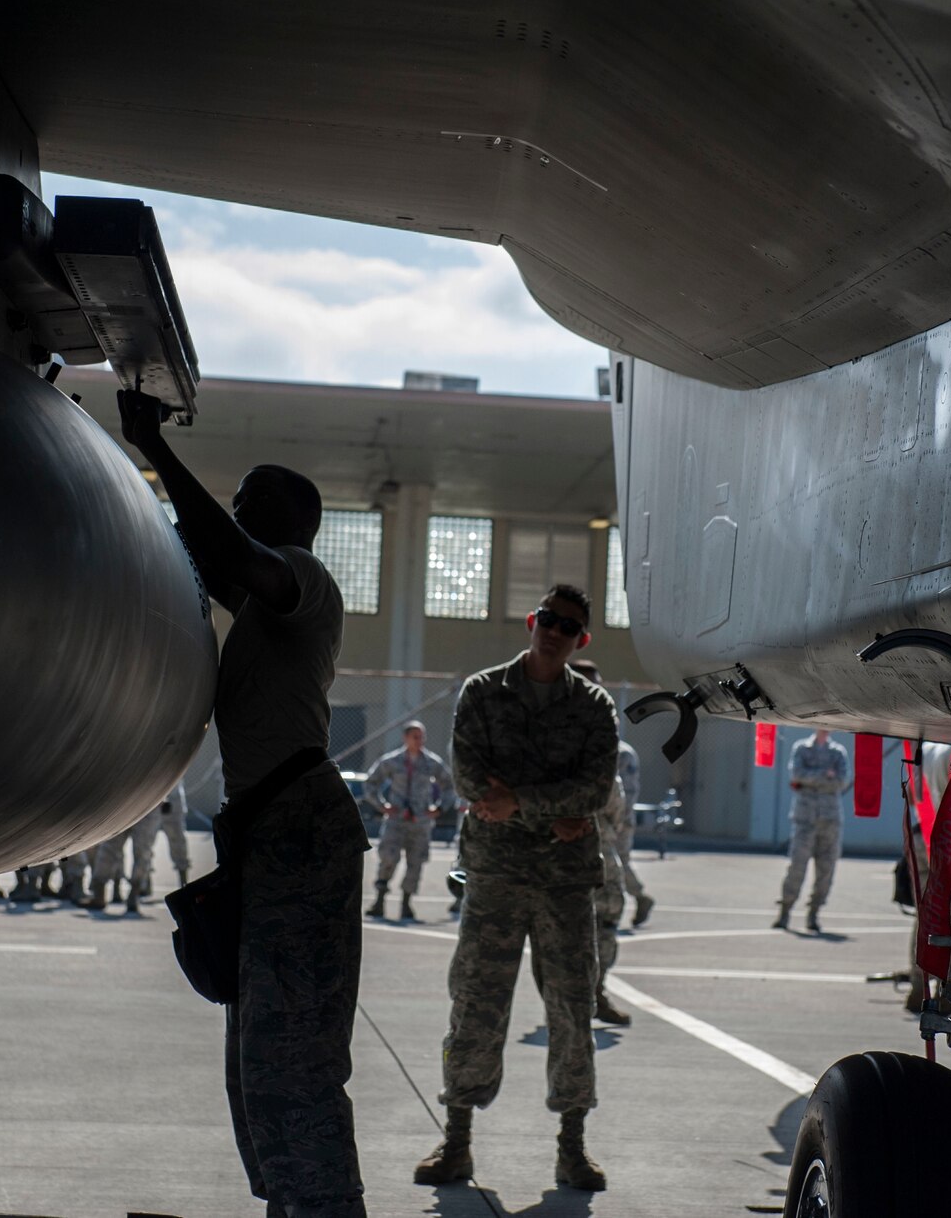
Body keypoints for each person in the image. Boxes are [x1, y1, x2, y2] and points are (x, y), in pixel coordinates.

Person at [122, 387, 368, 1218]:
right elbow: (205, 544)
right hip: (273, 833)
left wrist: (156, 449)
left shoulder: (302, 579)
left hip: (296, 827)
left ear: (286, 520)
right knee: (262, 1061)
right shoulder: (266, 612)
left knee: (292, 1060)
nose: (232, 512)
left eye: (247, 502)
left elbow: (226, 549)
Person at [417, 585, 619, 1193]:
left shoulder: (594, 707)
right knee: (475, 1006)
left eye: (570, 626)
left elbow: (594, 790)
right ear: (532, 621)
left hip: (562, 885)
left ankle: (573, 1149)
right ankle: (456, 1142)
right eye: (549, 620)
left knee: (571, 1013)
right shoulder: (482, 693)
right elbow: (472, 779)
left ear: (581, 639)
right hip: (497, 880)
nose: (556, 631)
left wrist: (522, 801)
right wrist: (550, 808)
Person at [570, 662, 632, 1025]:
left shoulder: (603, 733)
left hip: (603, 844)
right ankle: (571, 998)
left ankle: (595, 992)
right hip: (569, 844)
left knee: (607, 917)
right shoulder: (557, 735)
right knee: (570, 927)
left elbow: (615, 803)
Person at [364, 721, 454, 921]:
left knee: (416, 862)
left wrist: (439, 809)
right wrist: (382, 806)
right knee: (388, 858)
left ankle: (406, 903)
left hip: (420, 822)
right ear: (406, 738)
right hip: (396, 820)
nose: (419, 741)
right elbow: (371, 783)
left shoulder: (431, 762)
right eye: (415, 736)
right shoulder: (393, 761)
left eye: (422, 737)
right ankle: (379, 901)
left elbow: (449, 785)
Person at [777, 728, 852, 932]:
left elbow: (842, 780)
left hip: (830, 821)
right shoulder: (801, 748)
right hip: (805, 820)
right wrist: (825, 775)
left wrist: (812, 779)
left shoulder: (838, 752)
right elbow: (796, 775)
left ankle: (814, 913)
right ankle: (785, 910)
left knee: (826, 871)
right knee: (796, 867)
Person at [611, 738, 655, 927]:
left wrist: (619, 819)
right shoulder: (620, 749)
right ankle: (638, 897)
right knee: (617, 862)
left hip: (618, 818)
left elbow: (625, 791)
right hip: (616, 817)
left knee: (618, 862)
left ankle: (639, 896)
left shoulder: (621, 752)